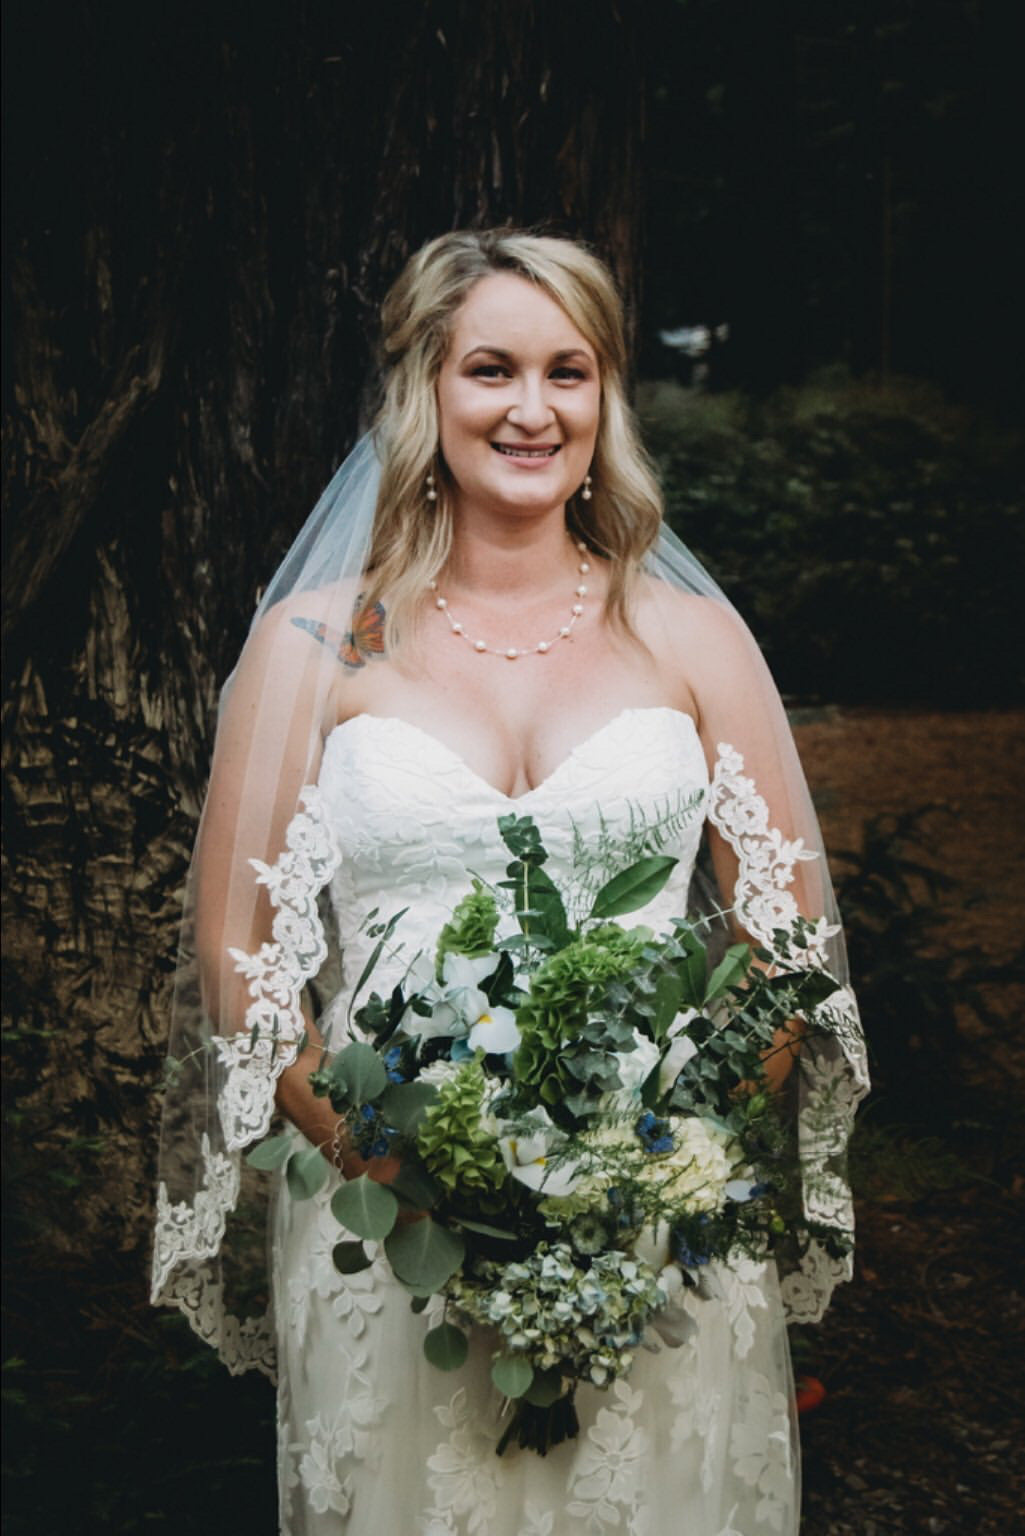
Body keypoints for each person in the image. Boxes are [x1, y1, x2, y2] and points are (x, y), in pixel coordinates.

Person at [152, 230, 867, 1536]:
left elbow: (788, 944)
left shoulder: (691, 638)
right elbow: (240, 963)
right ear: (425, 389)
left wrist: (651, 1170)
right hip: (387, 1229)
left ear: (605, 397)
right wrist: (409, 1172)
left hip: (661, 1234)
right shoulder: (311, 646)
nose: (531, 410)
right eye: (490, 369)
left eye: (568, 371)